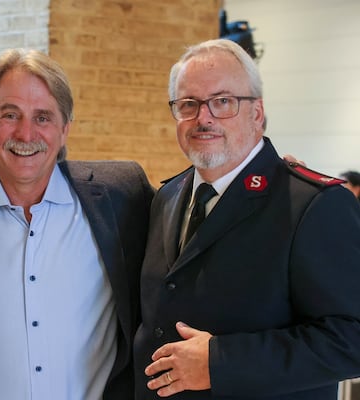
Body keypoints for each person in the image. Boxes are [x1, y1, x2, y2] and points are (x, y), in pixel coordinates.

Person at [0, 48, 155, 400]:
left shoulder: (123, 196)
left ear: (65, 129)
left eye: (43, 117)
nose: (26, 134)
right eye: (11, 114)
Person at [133, 38, 360, 399]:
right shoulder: (168, 196)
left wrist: (222, 362)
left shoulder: (312, 205)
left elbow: (351, 340)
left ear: (257, 112)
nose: (203, 117)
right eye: (188, 104)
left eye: (223, 101)